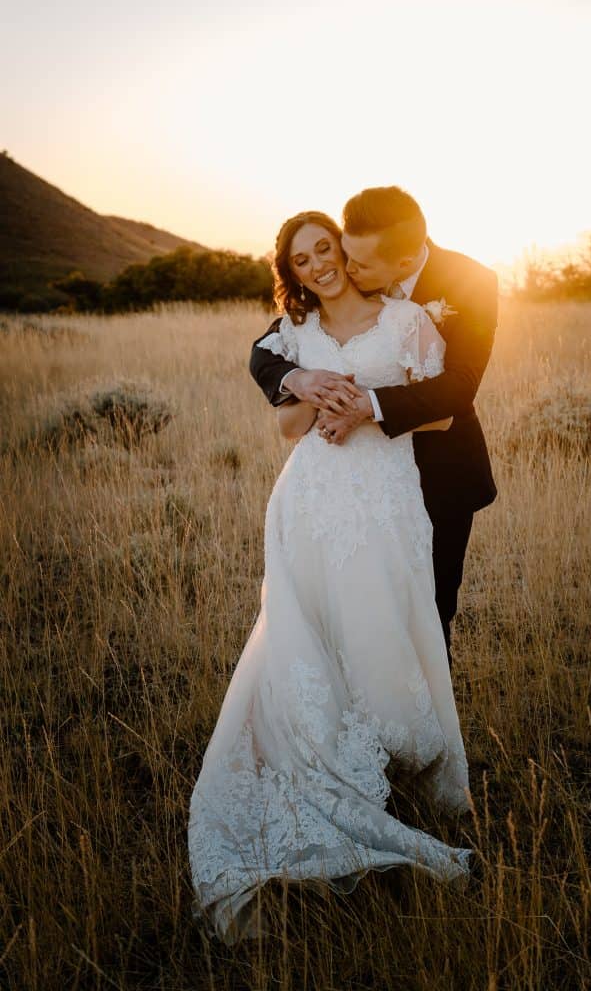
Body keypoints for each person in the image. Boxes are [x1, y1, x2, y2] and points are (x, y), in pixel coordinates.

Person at [188, 211, 473, 946]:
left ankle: (392, 763)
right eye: (301, 256)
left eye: (325, 249)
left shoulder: (407, 319)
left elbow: (443, 416)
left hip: (382, 495)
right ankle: (322, 757)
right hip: (311, 498)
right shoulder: (292, 329)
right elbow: (286, 429)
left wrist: (365, 410)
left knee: (384, 622)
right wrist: (313, 388)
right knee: (309, 629)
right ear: (290, 267)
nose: (317, 264)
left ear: (345, 251)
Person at [250, 187, 498, 665]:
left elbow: (458, 387)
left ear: (402, 265)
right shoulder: (345, 275)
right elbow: (267, 349)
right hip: (344, 481)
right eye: (340, 251)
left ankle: (422, 717)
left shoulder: (469, 283)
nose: (343, 266)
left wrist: (364, 407)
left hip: (441, 468)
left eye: (347, 258)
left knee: (429, 607)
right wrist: (296, 377)